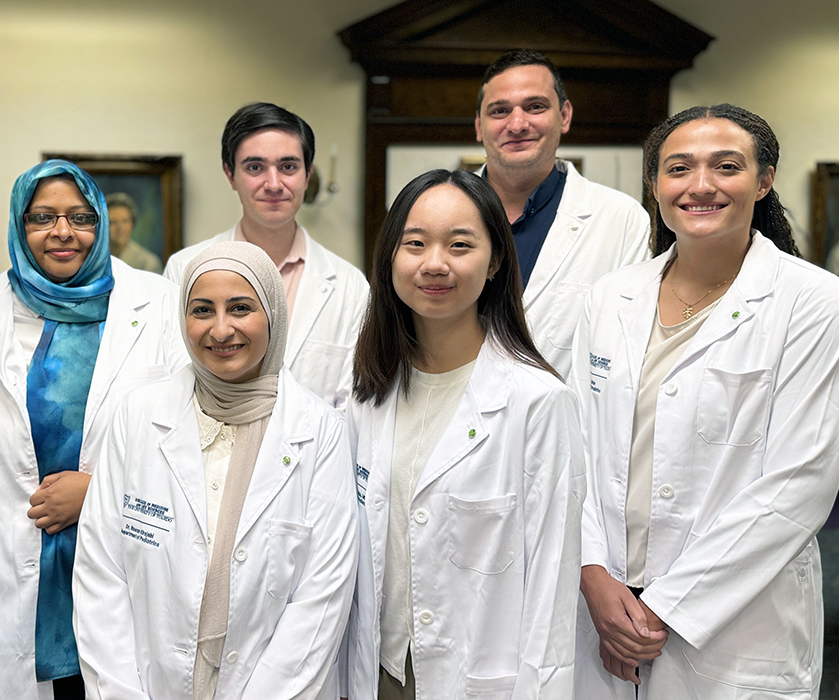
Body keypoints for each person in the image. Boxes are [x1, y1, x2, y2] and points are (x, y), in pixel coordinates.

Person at [571, 105, 839, 699]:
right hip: (602, 608)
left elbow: (798, 484)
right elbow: (573, 452)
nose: (700, 185)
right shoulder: (609, 299)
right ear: (655, 185)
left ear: (763, 181)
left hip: (734, 625)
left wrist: (666, 608)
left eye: (726, 166)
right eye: (679, 168)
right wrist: (592, 574)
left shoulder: (812, 303)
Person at [0, 159, 186, 699]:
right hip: (7, 569)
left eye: (80, 217)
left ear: (100, 223)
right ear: (18, 225)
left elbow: (188, 437)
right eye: (42, 217)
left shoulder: (161, 307)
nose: (62, 233)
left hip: (125, 552)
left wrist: (101, 494)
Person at [76, 241, 358, 699]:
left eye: (241, 308)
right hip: (149, 682)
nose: (220, 329)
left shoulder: (319, 431)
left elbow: (321, 597)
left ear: (273, 314)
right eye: (202, 309)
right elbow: (100, 573)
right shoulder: (138, 416)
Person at [345, 169, 585, 699]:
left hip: (480, 678)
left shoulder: (538, 402)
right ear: (390, 259)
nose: (435, 264)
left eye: (460, 245)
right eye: (415, 244)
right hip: (376, 674)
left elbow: (553, 582)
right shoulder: (367, 394)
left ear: (496, 259)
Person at [164, 102, 369, 408]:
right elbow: (175, 378)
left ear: (307, 175)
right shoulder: (183, 270)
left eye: (288, 167)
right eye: (255, 168)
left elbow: (354, 402)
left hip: (314, 452)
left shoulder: (350, 285)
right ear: (230, 175)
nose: (274, 184)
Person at [474, 49, 651, 378]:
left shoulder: (621, 220)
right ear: (479, 127)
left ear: (565, 116)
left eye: (535, 107)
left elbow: (631, 351)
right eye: (499, 111)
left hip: (567, 426)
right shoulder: (434, 212)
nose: (517, 124)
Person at [106, 191, 163, 273]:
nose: (120, 228)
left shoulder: (148, 263)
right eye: (113, 222)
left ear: (132, 224)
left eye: (125, 221)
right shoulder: (94, 260)